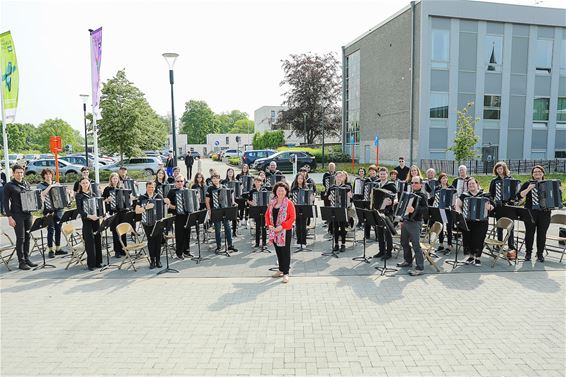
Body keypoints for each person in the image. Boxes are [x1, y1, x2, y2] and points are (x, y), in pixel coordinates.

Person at [519, 165, 561, 262]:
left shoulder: (550, 184)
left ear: (543, 173)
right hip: (530, 212)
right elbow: (520, 196)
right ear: (532, 174)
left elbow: (556, 199)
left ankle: (540, 254)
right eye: (535, 172)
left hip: (545, 213)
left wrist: (559, 192)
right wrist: (529, 189)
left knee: (542, 234)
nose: (537, 173)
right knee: (529, 233)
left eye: (539, 172)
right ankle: (528, 253)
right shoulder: (527, 183)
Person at [3, 164, 38, 270]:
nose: (20, 174)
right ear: (13, 173)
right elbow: (5, 202)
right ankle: (21, 262)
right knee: (21, 238)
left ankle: (27, 259)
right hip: (16, 215)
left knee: (27, 237)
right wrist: (9, 217)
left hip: (28, 214)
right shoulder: (9, 185)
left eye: (21, 172)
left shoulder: (26, 183)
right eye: (18, 172)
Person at [455, 177, 494, 267]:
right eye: (469, 184)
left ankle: (478, 258)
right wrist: (460, 214)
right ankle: (471, 257)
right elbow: (457, 205)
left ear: (477, 184)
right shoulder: (465, 195)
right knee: (468, 239)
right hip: (468, 221)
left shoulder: (485, 195)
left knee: (479, 239)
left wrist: (489, 207)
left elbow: (493, 206)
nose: (471, 185)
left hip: (482, 222)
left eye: (473, 183)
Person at [396, 176, 429, 276]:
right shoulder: (410, 194)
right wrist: (401, 219)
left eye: (416, 183)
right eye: (412, 183)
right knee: (404, 242)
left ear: (421, 184)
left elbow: (426, 210)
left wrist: (415, 210)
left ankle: (420, 267)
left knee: (416, 245)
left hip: (415, 222)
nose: (414, 184)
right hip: (406, 221)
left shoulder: (422, 195)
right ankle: (408, 261)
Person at [265, 181, 296, 284]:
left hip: (284, 231)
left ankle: (286, 273)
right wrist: (269, 225)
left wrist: (281, 226)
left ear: (286, 191)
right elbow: (267, 215)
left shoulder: (289, 203)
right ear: (275, 191)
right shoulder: (272, 203)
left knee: (285, 252)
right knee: (278, 251)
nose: (281, 192)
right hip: (274, 231)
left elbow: (292, 218)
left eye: (283, 190)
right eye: (279, 190)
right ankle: (281, 270)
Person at [489, 161, 517, 255]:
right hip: (499, 207)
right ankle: (499, 244)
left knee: (510, 227)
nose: (499, 170)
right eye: (497, 169)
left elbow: (515, 194)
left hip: (509, 207)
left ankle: (511, 245)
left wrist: (513, 200)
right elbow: (490, 195)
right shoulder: (494, 181)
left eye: (501, 168)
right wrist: (493, 203)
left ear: (504, 169)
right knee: (500, 226)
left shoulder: (511, 179)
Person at [38, 168, 67, 258]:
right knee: (51, 230)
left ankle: (58, 248)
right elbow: (42, 194)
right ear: (43, 176)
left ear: (52, 175)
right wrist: (50, 186)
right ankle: (50, 250)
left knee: (58, 229)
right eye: (46, 174)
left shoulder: (56, 183)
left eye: (49, 174)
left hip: (58, 209)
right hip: (48, 210)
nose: (48, 176)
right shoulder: (41, 185)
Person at [75, 177, 103, 271]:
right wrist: (90, 216)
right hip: (87, 221)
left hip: (96, 220)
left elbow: (98, 207)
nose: (85, 184)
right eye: (83, 183)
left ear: (89, 184)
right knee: (90, 242)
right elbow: (79, 210)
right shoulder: (79, 196)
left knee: (98, 240)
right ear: (80, 184)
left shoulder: (93, 194)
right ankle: (91, 264)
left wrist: (100, 215)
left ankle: (98, 262)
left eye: (87, 183)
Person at [206, 173, 238, 253]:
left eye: (216, 178)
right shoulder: (210, 189)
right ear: (212, 180)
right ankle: (219, 246)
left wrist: (233, 202)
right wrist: (209, 210)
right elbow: (207, 201)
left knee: (227, 227)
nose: (215, 180)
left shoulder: (224, 187)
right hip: (215, 210)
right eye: (213, 178)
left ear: (219, 179)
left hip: (224, 210)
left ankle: (230, 245)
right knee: (217, 229)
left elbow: (230, 196)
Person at [136, 181, 163, 269]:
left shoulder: (158, 196)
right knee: (151, 241)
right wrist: (145, 207)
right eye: (149, 187)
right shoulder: (142, 197)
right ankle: (152, 261)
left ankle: (158, 260)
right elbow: (137, 210)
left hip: (157, 222)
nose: (151, 189)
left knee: (158, 241)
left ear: (154, 188)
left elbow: (164, 207)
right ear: (146, 188)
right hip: (146, 222)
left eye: (152, 187)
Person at [372, 167, 397, 260]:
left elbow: (397, 198)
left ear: (387, 174)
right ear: (379, 174)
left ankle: (389, 252)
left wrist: (391, 202)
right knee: (379, 231)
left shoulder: (391, 185)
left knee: (387, 232)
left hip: (388, 212)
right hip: (378, 211)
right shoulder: (377, 185)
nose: (382, 175)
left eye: (384, 174)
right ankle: (381, 250)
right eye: (381, 174)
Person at [165, 173, 192, 259]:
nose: (180, 183)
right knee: (180, 235)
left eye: (181, 181)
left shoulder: (187, 190)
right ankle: (179, 253)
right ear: (175, 182)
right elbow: (168, 205)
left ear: (184, 182)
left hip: (187, 215)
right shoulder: (172, 192)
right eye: (178, 181)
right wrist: (177, 207)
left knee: (187, 233)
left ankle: (186, 251)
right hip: (178, 216)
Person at [102, 173, 127, 258]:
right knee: (115, 232)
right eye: (113, 178)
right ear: (111, 180)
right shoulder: (107, 189)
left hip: (122, 212)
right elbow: (103, 201)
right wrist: (107, 199)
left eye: (116, 178)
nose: (115, 180)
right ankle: (117, 251)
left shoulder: (122, 188)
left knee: (123, 231)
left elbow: (126, 199)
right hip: (113, 212)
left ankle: (124, 249)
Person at [328, 171, 353, 252]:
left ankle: (343, 244)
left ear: (343, 178)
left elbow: (351, 198)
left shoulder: (346, 187)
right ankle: (336, 244)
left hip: (343, 209)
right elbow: (328, 196)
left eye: (340, 177)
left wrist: (350, 196)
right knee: (335, 227)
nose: (339, 178)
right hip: (334, 209)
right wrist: (329, 197)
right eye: (337, 177)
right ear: (335, 178)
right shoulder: (332, 187)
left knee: (342, 227)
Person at [434, 172, 454, 254]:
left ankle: (449, 245)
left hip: (449, 211)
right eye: (443, 178)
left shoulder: (451, 187)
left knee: (449, 228)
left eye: (446, 178)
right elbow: (436, 199)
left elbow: (454, 198)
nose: (445, 179)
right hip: (441, 210)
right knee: (441, 227)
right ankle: (441, 244)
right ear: (440, 180)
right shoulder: (437, 188)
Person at [290, 173, 311, 247]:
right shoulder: (293, 189)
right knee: (298, 226)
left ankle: (304, 242)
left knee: (303, 226)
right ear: (296, 179)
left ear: (303, 180)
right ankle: (299, 242)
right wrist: (292, 200)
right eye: (299, 178)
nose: (300, 180)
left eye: (301, 179)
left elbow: (309, 199)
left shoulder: (306, 188)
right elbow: (290, 198)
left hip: (304, 209)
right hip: (296, 209)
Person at [248, 176, 268, 248]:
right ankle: (257, 242)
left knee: (264, 227)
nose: (257, 183)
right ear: (254, 182)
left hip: (263, 210)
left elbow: (267, 200)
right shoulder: (252, 191)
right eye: (256, 181)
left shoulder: (264, 190)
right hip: (256, 210)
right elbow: (248, 200)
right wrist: (251, 203)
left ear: (261, 182)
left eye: (259, 181)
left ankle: (264, 243)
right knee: (257, 227)